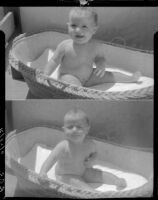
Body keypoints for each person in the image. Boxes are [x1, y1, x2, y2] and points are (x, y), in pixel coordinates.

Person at [44, 7, 141, 87]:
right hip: (68, 76)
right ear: (68, 26)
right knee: (71, 84)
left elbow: (100, 58)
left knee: (110, 75)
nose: (78, 30)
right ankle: (80, 93)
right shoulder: (65, 45)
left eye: (84, 26)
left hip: (89, 76)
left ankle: (131, 78)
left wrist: (101, 65)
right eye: (73, 25)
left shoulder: (95, 46)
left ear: (94, 30)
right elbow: (54, 60)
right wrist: (45, 75)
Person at [40, 108, 127, 191]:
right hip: (65, 175)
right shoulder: (63, 146)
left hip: (83, 171)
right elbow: (51, 160)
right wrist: (43, 172)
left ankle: (116, 180)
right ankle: (92, 192)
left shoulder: (90, 144)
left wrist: (92, 159)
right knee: (77, 182)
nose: (74, 130)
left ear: (87, 129)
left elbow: (94, 153)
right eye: (70, 127)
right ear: (64, 129)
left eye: (79, 127)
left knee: (98, 174)